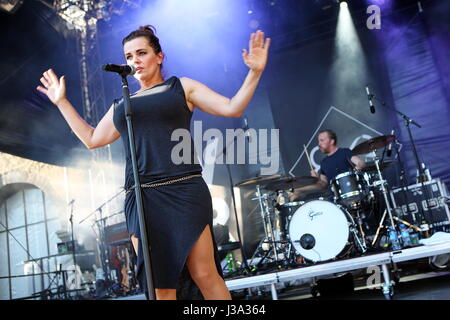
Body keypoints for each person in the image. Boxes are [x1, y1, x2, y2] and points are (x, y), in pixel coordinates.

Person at [37, 25, 271, 300]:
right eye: (129, 56)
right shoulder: (122, 103)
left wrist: (254, 72)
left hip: (184, 190)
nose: (134, 60)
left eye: (141, 53)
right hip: (143, 197)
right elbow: (91, 139)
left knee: (205, 274)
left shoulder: (181, 87)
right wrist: (61, 102)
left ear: (159, 56)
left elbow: (233, 107)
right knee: (160, 287)